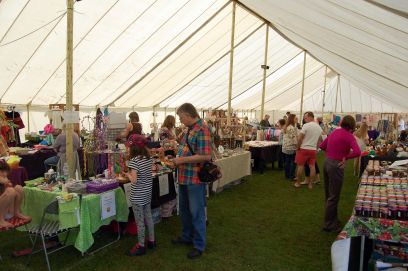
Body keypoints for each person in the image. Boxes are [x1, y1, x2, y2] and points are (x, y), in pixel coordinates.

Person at [171, 103, 211, 259]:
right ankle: (187, 236)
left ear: (188, 115)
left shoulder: (202, 129)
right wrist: (177, 155)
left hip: (194, 178)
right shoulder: (190, 129)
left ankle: (199, 245)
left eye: (181, 118)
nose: (181, 121)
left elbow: (206, 156)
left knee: (197, 212)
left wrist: (181, 160)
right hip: (184, 176)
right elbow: (188, 149)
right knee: (185, 210)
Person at [320, 115, 361, 232]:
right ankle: (329, 224)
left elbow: (322, 146)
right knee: (334, 196)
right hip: (336, 165)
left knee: (329, 195)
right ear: (352, 126)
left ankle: (332, 220)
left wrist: (332, 153)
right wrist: (345, 157)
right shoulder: (349, 136)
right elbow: (357, 152)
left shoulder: (334, 132)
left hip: (327, 162)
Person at [125, 134, 155, 256]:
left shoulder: (134, 161)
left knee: (140, 222)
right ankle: (152, 241)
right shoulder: (148, 159)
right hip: (147, 194)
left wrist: (127, 174)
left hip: (137, 196)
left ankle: (141, 245)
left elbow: (134, 180)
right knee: (149, 217)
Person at [294, 112, 322, 189]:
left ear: (311, 117)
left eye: (305, 118)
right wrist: (316, 149)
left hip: (304, 148)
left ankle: (298, 183)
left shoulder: (306, 125)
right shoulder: (319, 127)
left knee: (300, 166)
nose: (304, 119)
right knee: (312, 167)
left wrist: (298, 147)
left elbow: (300, 138)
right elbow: (320, 140)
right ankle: (310, 184)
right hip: (312, 150)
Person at [0, 161, 31, 228]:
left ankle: (17, 213)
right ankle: (0, 220)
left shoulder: (4, 178)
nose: (5, 174)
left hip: (7, 211)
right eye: (2, 172)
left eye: (6, 172)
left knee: (18, 188)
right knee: (10, 191)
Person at [282, 114, 298, 180]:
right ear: (292, 119)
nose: (296, 119)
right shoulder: (291, 127)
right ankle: (291, 176)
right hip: (291, 147)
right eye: (295, 118)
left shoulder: (286, 126)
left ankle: (287, 175)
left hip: (286, 146)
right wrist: (298, 146)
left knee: (287, 161)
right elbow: (294, 138)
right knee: (292, 162)